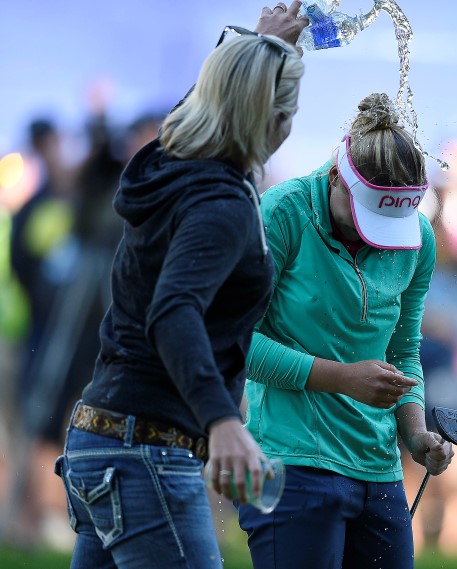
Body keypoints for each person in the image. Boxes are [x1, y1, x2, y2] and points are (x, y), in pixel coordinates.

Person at [54, 4, 307, 568]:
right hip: (146, 448)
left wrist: (252, 44)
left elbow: (212, 99)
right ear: (277, 119)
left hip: (103, 438)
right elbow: (173, 311)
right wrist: (223, 421)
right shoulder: (220, 204)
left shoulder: (170, 167)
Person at [239, 92, 454, 569]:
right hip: (290, 460)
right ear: (337, 175)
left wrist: (416, 434)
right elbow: (233, 343)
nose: (370, 236)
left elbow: (403, 350)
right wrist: (342, 378)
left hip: (377, 466)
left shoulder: (417, 238)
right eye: (364, 218)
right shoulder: (282, 213)